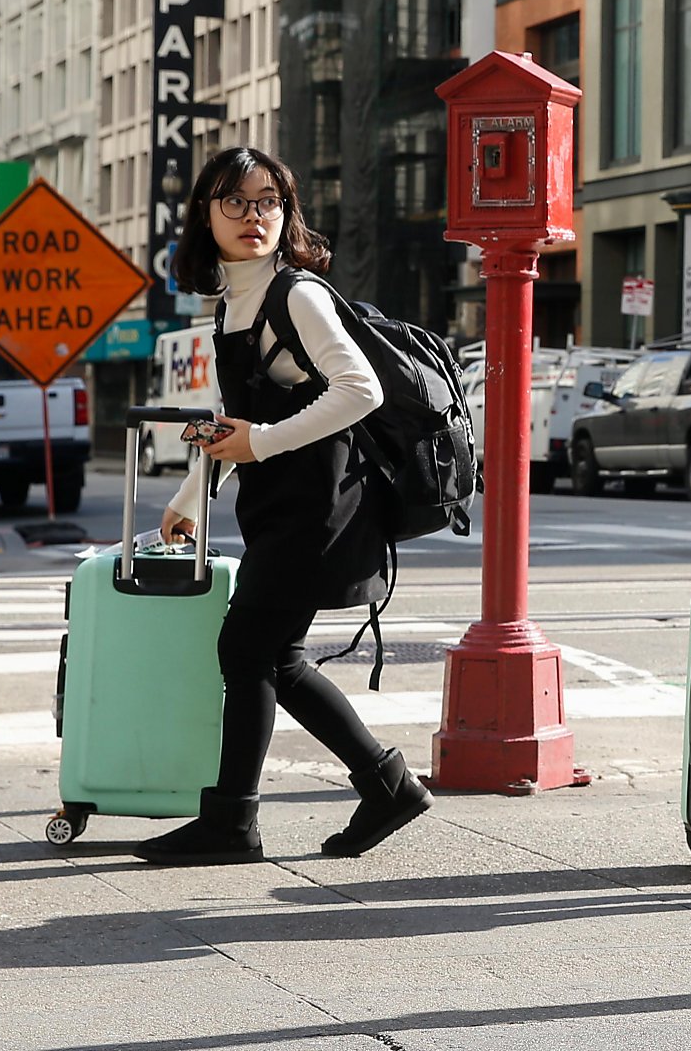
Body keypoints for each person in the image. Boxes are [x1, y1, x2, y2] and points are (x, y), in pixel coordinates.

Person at [135, 146, 431, 865]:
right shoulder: (232, 303)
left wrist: (263, 442)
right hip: (282, 502)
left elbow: (360, 390)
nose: (253, 216)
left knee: (247, 649)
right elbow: (232, 419)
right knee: (278, 655)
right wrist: (190, 498)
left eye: (268, 201)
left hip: (319, 504)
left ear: (287, 212)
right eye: (234, 201)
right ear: (205, 214)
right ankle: (387, 785)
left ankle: (234, 820)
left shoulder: (296, 294)